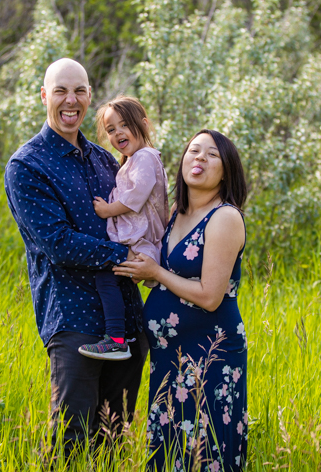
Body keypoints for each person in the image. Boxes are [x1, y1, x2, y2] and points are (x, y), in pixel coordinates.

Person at [3, 58, 148, 458]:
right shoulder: (27, 166)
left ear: (89, 96)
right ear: (45, 96)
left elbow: (137, 216)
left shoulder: (105, 160)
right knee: (72, 445)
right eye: (61, 91)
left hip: (128, 323)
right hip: (75, 321)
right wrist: (128, 255)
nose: (72, 100)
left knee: (113, 444)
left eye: (80, 90)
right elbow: (58, 243)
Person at [113, 129, 249, 471]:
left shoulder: (224, 218)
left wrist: (156, 274)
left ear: (226, 170)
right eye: (194, 150)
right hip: (169, 360)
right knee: (169, 452)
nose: (199, 157)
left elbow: (209, 296)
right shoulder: (175, 213)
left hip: (210, 358)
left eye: (211, 154)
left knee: (206, 455)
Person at [78, 96, 169, 361]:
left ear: (143, 124)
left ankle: (116, 340)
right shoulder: (133, 160)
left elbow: (136, 195)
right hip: (138, 241)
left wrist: (108, 210)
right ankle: (118, 338)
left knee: (106, 278)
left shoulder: (144, 157)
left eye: (124, 125)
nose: (118, 133)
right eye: (111, 129)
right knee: (109, 280)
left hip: (141, 243)